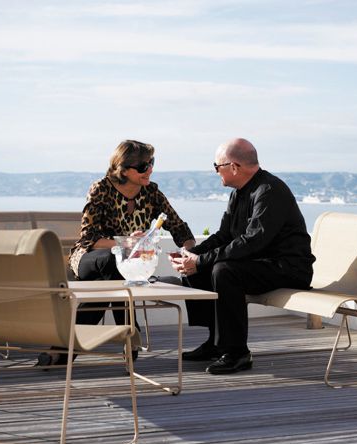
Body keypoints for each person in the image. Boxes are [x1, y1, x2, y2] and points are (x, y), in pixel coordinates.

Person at [36, 139, 195, 366]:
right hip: (88, 258)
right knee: (115, 260)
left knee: (115, 274)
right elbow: (89, 238)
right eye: (143, 166)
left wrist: (188, 252)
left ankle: (62, 350)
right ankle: (132, 333)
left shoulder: (151, 192)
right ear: (124, 168)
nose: (150, 169)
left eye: (152, 163)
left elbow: (179, 227)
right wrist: (126, 243)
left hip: (123, 268)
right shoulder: (101, 189)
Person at [169, 138, 315, 375]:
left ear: (234, 167)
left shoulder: (269, 191)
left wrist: (201, 261)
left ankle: (237, 353)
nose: (216, 172)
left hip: (288, 268)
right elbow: (224, 235)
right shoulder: (238, 193)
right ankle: (217, 344)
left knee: (224, 271)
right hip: (260, 263)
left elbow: (253, 242)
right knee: (200, 267)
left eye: (217, 167)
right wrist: (191, 255)